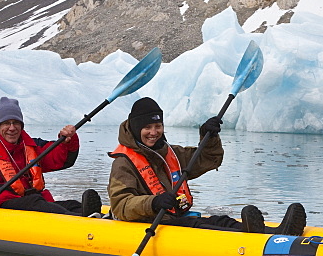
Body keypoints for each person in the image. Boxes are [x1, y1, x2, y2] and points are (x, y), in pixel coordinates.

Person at [107, 97, 305, 234]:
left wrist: (209, 137)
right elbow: (120, 205)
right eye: (147, 127)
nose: (153, 132)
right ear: (135, 128)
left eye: (158, 126)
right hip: (150, 222)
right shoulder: (123, 163)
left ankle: (277, 232)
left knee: (220, 221)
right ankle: (261, 237)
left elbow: (209, 159)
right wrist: (153, 202)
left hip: (175, 219)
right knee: (208, 227)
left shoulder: (171, 153)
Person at [0, 96, 102, 216]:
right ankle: (81, 221)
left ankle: (92, 215)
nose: (12, 128)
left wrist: (68, 141)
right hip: (5, 205)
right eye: (6, 123)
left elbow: (60, 159)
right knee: (36, 203)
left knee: (71, 205)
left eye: (16, 123)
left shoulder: (32, 147)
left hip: (35, 201)